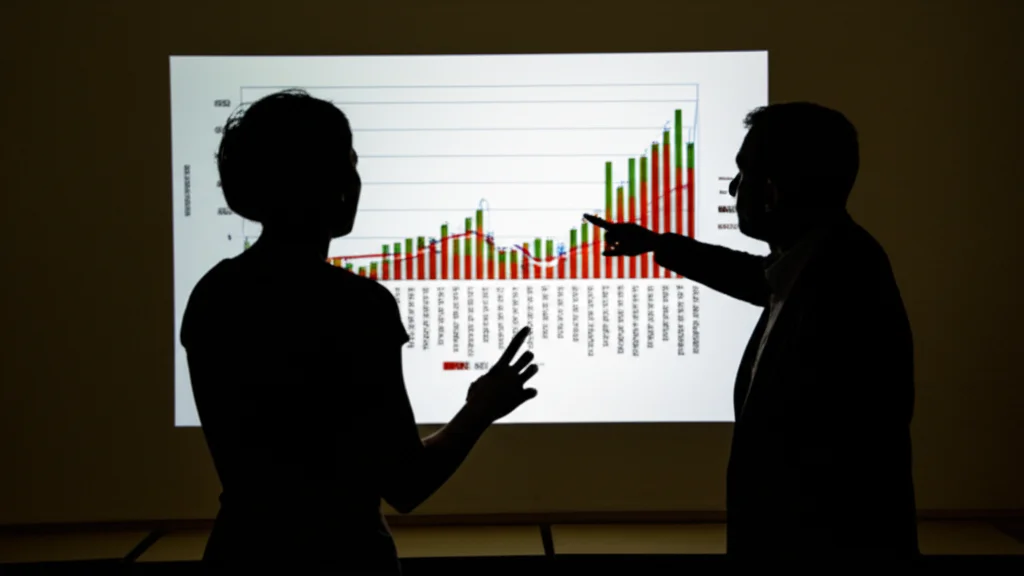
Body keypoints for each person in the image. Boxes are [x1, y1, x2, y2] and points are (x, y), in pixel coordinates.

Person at [180, 89, 540, 573]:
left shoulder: (212, 295)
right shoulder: (357, 306)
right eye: (347, 161)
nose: (355, 178)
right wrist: (480, 410)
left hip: (240, 556)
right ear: (322, 179)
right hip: (345, 563)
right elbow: (407, 484)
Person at [586, 102, 918, 561]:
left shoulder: (842, 279)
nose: (734, 187)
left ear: (773, 189)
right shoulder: (824, 262)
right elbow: (757, 277)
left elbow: (830, 456)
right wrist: (657, 243)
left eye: (743, 172)